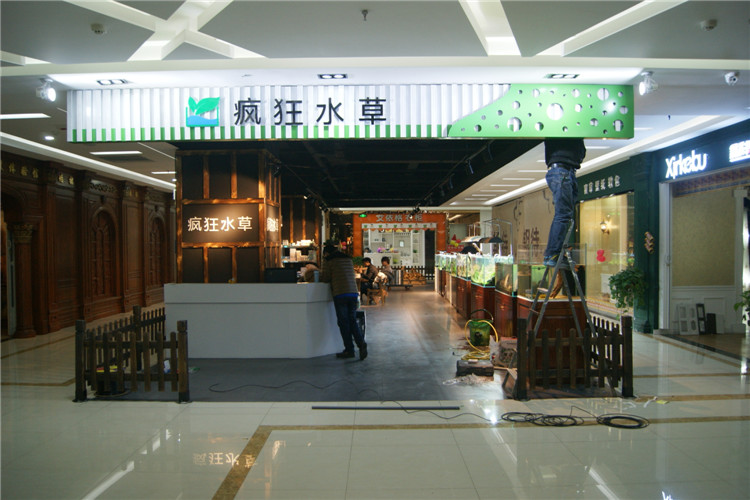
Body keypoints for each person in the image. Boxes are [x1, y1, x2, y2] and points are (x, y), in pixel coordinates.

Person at [543, 138, 586, 267]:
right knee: (563, 215)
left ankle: (553, 254)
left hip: (566, 171)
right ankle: (552, 254)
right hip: (562, 171)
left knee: (565, 215)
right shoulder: (560, 132)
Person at [319, 244, 367, 360]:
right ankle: (361, 343)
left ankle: (349, 350)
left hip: (340, 293)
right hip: (353, 292)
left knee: (344, 323)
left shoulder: (328, 260)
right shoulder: (348, 259)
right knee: (352, 320)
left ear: (326, 253)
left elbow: (325, 278)